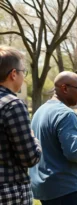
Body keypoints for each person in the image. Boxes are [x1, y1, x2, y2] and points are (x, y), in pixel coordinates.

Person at [29, 71, 77, 205]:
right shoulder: (66, 114)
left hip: (45, 188)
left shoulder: (39, 112)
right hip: (65, 189)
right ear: (64, 88)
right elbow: (74, 152)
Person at [0, 45, 42, 204]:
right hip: (10, 192)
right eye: (23, 72)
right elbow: (30, 157)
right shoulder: (13, 105)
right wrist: (34, 139)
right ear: (13, 74)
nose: (24, 76)